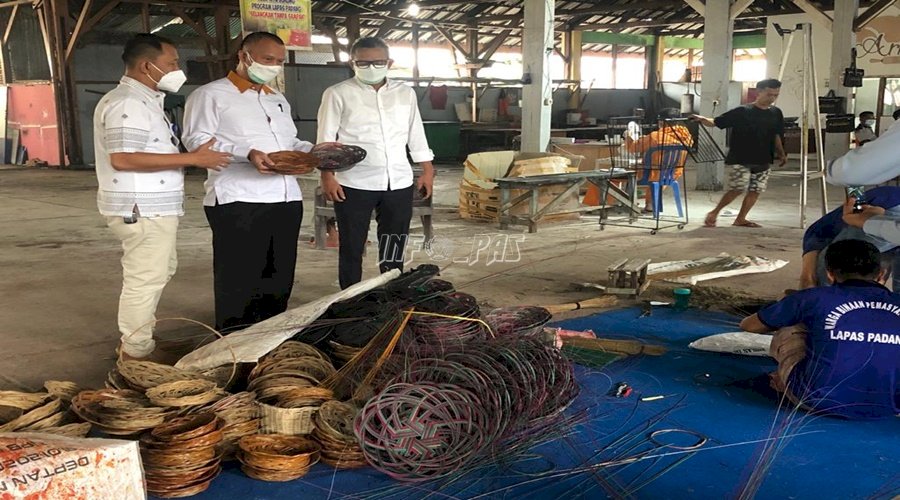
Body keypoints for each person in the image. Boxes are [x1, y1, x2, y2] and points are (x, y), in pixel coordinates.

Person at [94, 34, 232, 360]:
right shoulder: (128, 103)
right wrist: (193, 159)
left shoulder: (145, 100)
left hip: (154, 206)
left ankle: (141, 339)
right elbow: (123, 158)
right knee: (145, 277)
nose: (177, 69)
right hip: (141, 207)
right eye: (171, 63)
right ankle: (135, 352)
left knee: (160, 270)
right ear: (147, 65)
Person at [182, 32, 322, 332]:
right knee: (240, 278)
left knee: (279, 276)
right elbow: (196, 142)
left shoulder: (277, 98)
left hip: (285, 199)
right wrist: (246, 154)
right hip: (238, 200)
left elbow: (289, 142)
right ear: (244, 56)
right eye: (267, 59)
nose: (274, 66)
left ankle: (269, 336)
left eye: (279, 61)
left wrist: (315, 152)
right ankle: (233, 340)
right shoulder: (211, 95)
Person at [317, 37, 435, 289]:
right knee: (352, 244)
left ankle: (391, 293)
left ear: (389, 62)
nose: (371, 67)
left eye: (378, 62)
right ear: (353, 63)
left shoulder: (405, 93)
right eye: (364, 63)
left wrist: (427, 169)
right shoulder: (338, 93)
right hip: (353, 181)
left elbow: (416, 132)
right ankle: (350, 298)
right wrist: (327, 176)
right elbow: (326, 139)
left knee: (394, 242)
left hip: (399, 180)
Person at [740, 239, 900, 420]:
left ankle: (785, 382)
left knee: (792, 326)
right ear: (882, 274)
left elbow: (750, 326)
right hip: (888, 406)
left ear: (830, 274)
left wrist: (786, 304)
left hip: (817, 400)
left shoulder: (812, 298)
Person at [691, 79, 787, 228]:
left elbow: (776, 135)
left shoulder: (776, 113)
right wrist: (702, 119)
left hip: (763, 158)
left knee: (756, 190)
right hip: (742, 157)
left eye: (776, 95)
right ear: (758, 92)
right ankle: (714, 213)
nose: (772, 98)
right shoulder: (743, 111)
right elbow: (717, 122)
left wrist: (781, 153)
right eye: (769, 94)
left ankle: (741, 218)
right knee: (737, 188)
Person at [800, 186, 900, 290]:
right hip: (885, 208)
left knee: (832, 269)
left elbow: (818, 232)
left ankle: (818, 297)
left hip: (887, 208)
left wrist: (808, 278)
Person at [623, 108, 693, 213]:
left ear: (661, 122)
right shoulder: (687, 137)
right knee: (657, 175)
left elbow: (634, 148)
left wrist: (628, 137)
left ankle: (617, 202)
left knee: (616, 174)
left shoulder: (655, 136)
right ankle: (650, 204)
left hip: (651, 173)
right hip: (673, 173)